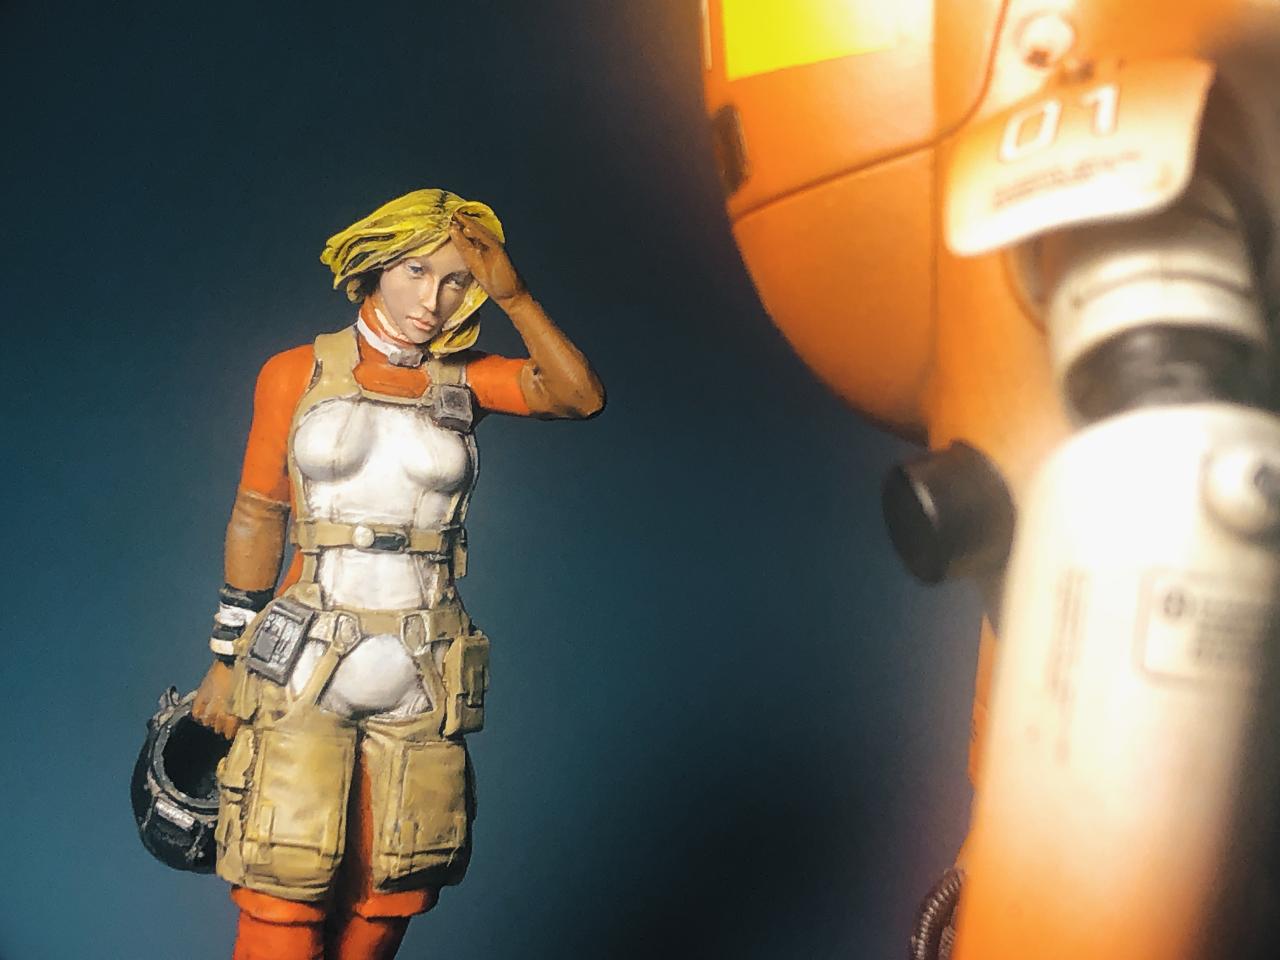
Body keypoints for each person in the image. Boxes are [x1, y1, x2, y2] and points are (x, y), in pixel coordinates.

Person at [189, 188, 604, 960]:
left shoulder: (465, 379)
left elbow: (579, 396)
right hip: (306, 655)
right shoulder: (296, 373)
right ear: (377, 266)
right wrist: (225, 657)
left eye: (456, 280)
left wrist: (514, 295)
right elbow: (257, 515)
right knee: (282, 886)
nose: (433, 298)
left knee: (395, 889)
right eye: (416, 270)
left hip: (422, 661)